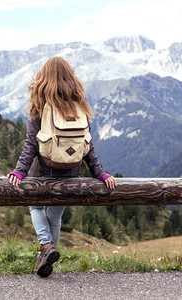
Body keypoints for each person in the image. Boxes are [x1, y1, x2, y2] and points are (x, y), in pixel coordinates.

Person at [7, 56, 117, 277]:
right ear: (70, 76)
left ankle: (46, 247)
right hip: (71, 173)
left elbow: (31, 143)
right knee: (55, 216)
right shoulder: (80, 104)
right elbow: (88, 144)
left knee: (36, 207)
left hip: (42, 172)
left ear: (44, 78)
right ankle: (45, 257)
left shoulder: (41, 103)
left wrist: (19, 171)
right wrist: (101, 173)